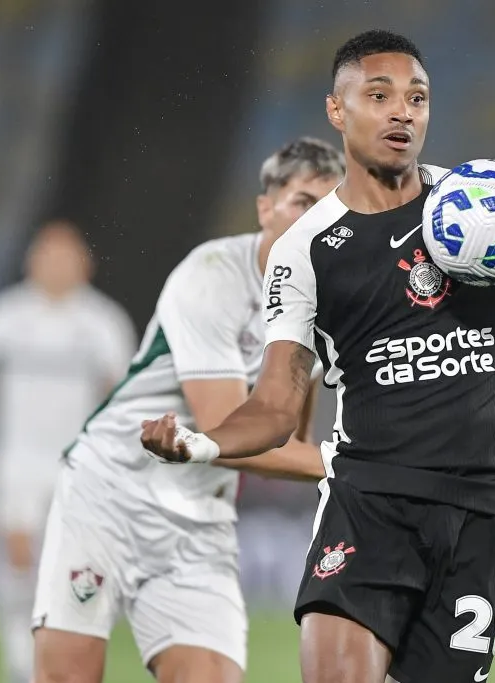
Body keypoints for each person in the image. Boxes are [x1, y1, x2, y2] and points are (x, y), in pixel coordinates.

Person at [141, 30, 495, 683]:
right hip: (370, 499)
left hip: (481, 509)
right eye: (379, 95)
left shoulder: (486, 203)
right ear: (337, 110)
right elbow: (275, 405)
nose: (402, 112)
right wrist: (203, 443)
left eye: (416, 98)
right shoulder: (305, 250)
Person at [32, 137, 345, 683]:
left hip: (199, 518)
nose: (315, 221)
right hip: (111, 491)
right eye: (302, 202)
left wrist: (346, 466)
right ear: (265, 208)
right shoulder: (214, 275)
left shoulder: (331, 304)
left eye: (330, 208)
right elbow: (227, 435)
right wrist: (360, 465)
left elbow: (288, 437)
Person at [0, 220, 136, 683]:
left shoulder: (103, 322)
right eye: (48, 256)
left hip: (79, 462)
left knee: (74, 571)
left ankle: (65, 658)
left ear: (85, 265)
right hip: (16, 460)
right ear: (31, 262)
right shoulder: (3, 316)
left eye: (66, 257)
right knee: (17, 560)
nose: (56, 266)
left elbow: (123, 397)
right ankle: (21, 665)